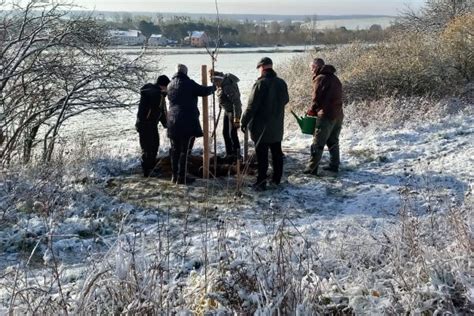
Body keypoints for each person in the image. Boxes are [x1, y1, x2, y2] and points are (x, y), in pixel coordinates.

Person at [241, 57, 289, 191]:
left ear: (261, 68)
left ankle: (261, 182)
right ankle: (276, 179)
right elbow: (286, 100)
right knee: (277, 153)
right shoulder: (281, 83)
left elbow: (251, 107)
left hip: (260, 127)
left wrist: (243, 122)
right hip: (277, 126)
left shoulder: (260, 84)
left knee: (262, 156)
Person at [167, 64, 216, 185]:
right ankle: (182, 177)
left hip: (172, 121)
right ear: (185, 72)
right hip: (186, 121)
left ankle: (174, 176)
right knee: (185, 150)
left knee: (174, 150)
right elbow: (203, 91)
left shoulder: (170, 85)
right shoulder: (189, 83)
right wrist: (214, 87)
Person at [304, 58, 343, 175]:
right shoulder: (335, 78)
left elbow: (316, 98)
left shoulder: (320, 78)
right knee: (333, 141)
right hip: (338, 114)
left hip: (326, 115)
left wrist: (311, 110)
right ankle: (334, 165)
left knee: (318, 143)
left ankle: (311, 169)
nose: (311, 71)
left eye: (312, 68)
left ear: (316, 67)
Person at [136, 75, 170, 177]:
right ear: (163, 86)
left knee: (154, 145)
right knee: (148, 148)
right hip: (146, 124)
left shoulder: (158, 94)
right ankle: (147, 170)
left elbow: (161, 112)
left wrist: (166, 124)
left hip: (150, 124)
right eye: (167, 87)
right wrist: (162, 93)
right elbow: (158, 109)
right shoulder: (153, 92)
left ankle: (151, 166)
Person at [210, 70, 242, 160]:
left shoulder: (227, 86)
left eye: (215, 82)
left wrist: (236, 119)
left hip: (233, 112)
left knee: (232, 134)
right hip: (227, 111)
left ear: (219, 80)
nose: (215, 85)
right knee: (225, 133)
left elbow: (237, 103)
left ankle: (237, 155)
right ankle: (229, 154)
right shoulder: (222, 85)